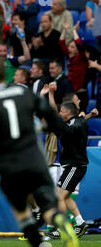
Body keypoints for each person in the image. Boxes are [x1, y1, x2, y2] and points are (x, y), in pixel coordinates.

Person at [0, 56, 79, 247]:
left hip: (9, 166)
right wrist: (57, 132)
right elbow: (50, 116)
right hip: (34, 158)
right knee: (47, 203)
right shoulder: (24, 92)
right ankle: (59, 219)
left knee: (23, 215)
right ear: (6, 75)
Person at [46, 101, 90, 239]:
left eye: (61, 111)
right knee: (64, 197)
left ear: (68, 112)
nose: (60, 113)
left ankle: (62, 229)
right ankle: (80, 223)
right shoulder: (77, 122)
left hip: (74, 166)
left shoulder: (74, 125)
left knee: (60, 197)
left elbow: (69, 129)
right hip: (72, 166)